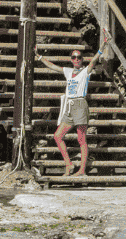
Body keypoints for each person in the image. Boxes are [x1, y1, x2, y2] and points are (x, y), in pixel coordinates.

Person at [39, 43, 105, 177]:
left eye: (79, 57)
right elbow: (52, 66)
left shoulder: (86, 71)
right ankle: (69, 165)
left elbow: (94, 60)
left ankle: (81, 170)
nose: (76, 59)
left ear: (82, 59)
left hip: (80, 104)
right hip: (69, 106)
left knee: (81, 139)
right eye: (74, 57)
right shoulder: (68, 71)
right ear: (71, 59)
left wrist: (103, 45)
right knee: (58, 136)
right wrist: (39, 56)